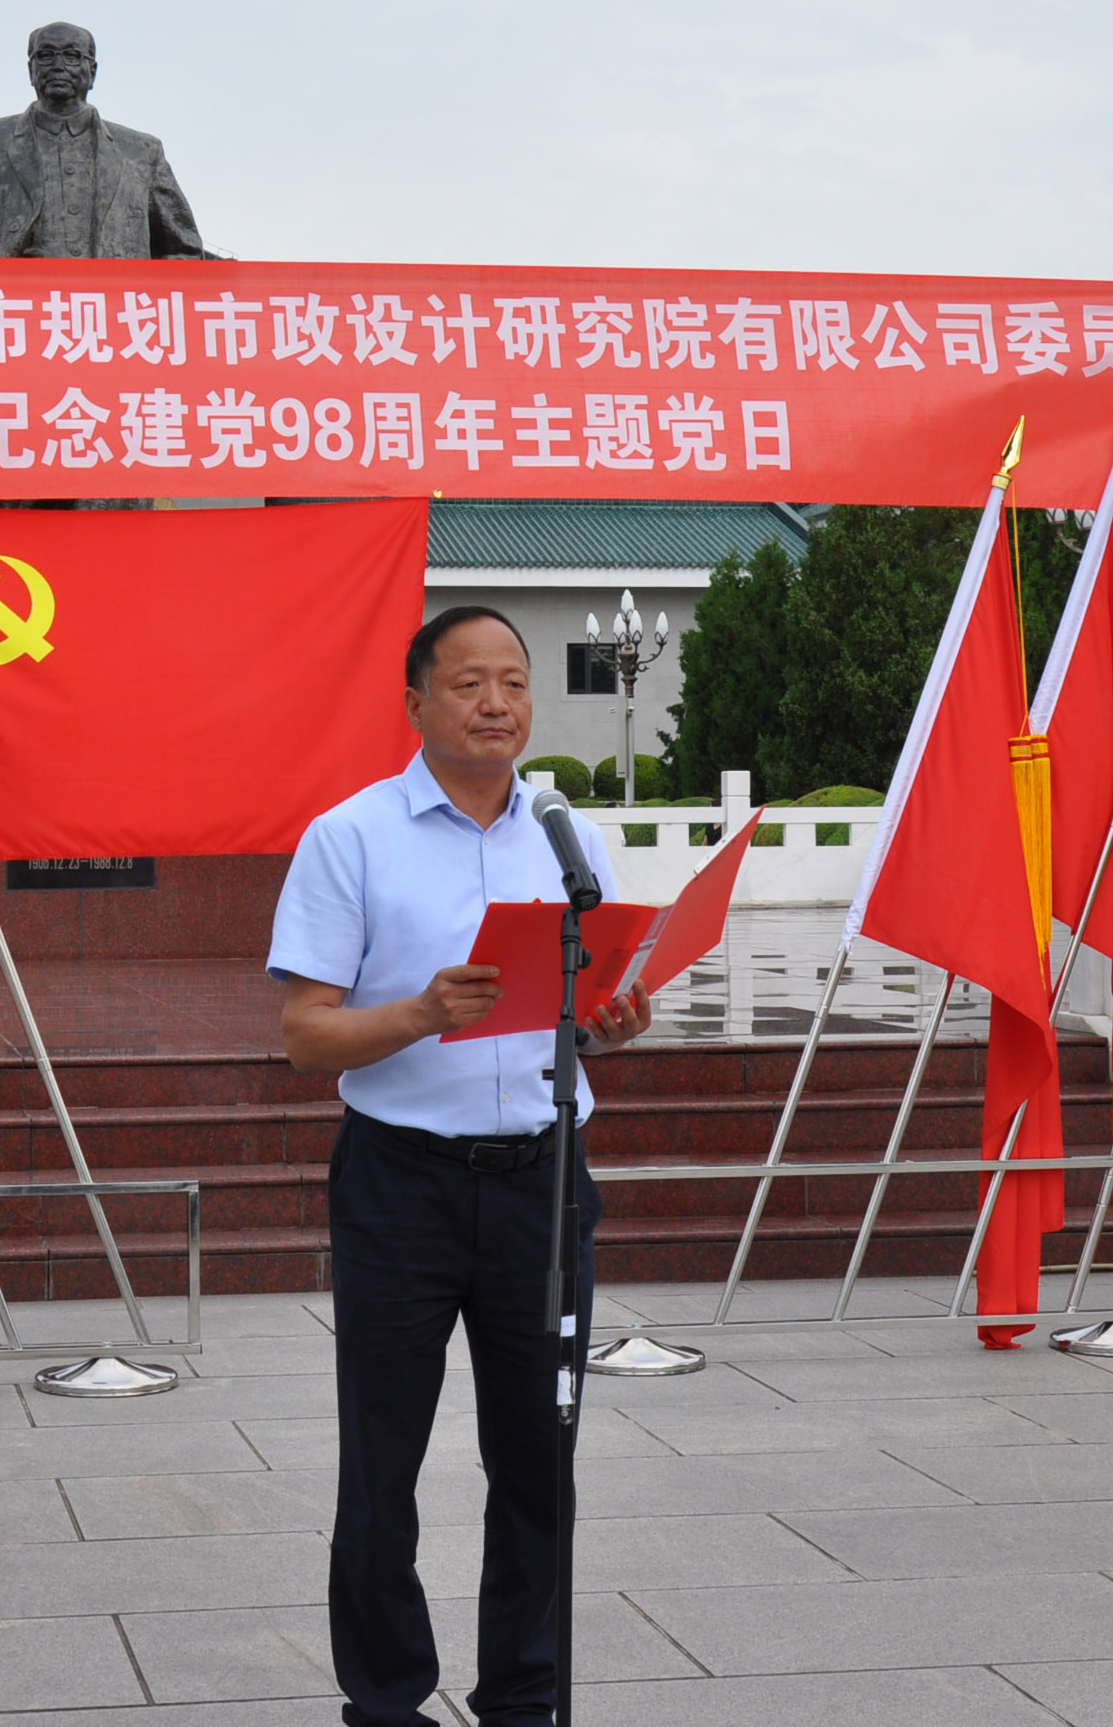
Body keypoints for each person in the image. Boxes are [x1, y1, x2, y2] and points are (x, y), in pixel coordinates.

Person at [269, 606, 654, 1727]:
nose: (498, 704)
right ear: (416, 703)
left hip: (543, 1181)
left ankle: (523, 1698)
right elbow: (306, 1036)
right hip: (402, 1186)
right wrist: (423, 1013)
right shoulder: (351, 837)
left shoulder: (569, 838)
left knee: (539, 1459)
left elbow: (585, 1010)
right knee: (381, 1466)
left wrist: (614, 1025)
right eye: (470, 683)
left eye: (515, 682)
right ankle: (387, 1700)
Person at [0, 21, 212, 258]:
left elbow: (184, 249)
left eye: (72, 56)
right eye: (46, 56)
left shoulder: (142, 152)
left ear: (92, 71)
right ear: (31, 70)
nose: (58, 65)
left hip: (110, 305)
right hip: (15, 304)